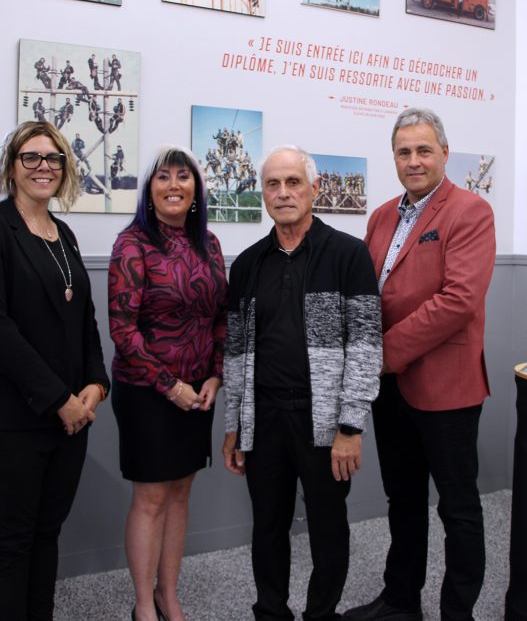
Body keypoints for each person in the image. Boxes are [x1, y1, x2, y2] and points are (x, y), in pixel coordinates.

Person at [0, 120, 110, 620]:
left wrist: (94, 383)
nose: (44, 167)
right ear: (12, 166)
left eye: (54, 159)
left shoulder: (62, 233)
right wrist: (58, 399)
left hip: (66, 416)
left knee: (47, 534)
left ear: (65, 169)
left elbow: (83, 318)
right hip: (4, 418)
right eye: (32, 157)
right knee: (12, 541)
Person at [344, 108, 495, 621]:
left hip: (446, 387)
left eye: (424, 150)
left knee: (457, 508)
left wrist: (382, 353)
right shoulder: (382, 216)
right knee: (403, 500)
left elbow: (458, 301)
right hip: (391, 390)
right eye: (404, 152)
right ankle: (401, 600)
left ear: (444, 154)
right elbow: (370, 293)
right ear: (394, 158)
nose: (414, 161)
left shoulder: (470, 211)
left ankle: (458, 613)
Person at [223, 146, 382, 621]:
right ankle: (271, 611)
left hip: (324, 420)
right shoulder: (247, 264)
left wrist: (350, 427)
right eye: (273, 184)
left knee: (328, 528)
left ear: (314, 189)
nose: (283, 193)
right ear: (262, 194)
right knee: (267, 527)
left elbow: (366, 346)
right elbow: (235, 352)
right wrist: (235, 424)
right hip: (264, 417)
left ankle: (320, 614)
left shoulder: (348, 255)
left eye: (293, 182)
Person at [109, 146, 227, 621]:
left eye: (184, 176)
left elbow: (221, 316)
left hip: (199, 390)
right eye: (164, 177)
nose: (174, 184)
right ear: (150, 189)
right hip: (148, 390)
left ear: (196, 189)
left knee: (182, 491)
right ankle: (143, 605)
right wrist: (168, 385)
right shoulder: (132, 244)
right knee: (152, 497)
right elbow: (123, 331)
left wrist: (216, 374)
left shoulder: (210, 244)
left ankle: (168, 595)